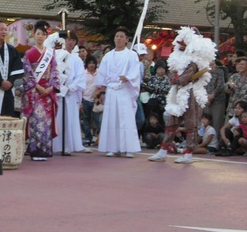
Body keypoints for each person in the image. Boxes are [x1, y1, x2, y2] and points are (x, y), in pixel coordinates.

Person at [148, 26, 215, 164]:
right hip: (178, 94)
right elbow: (173, 73)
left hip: (191, 94)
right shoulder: (177, 59)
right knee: (172, 123)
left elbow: (184, 78)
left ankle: (188, 154)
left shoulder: (196, 61)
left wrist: (177, 79)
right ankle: (163, 151)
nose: (182, 45)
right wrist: (176, 78)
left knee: (191, 125)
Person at [95, 27, 141, 158]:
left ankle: (129, 148)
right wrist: (102, 91)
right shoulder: (108, 56)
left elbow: (135, 72)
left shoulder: (131, 55)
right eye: (117, 36)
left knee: (126, 119)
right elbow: (102, 75)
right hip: (111, 91)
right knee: (111, 119)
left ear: (126, 39)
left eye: (121, 36)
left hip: (125, 90)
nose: (119, 38)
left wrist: (128, 77)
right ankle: (112, 147)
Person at [22, 21, 59, 161]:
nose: (40, 37)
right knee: (36, 121)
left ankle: (45, 150)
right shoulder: (29, 53)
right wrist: (38, 87)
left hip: (47, 93)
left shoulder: (51, 53)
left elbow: (55, 71)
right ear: (34, 35)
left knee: (46, 122)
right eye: (38, 34)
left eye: (43, 34)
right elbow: (28, 73)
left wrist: (50, 87)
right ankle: (35, 150)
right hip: (36, 92)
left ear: (46, 36)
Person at [53, 30, 88, 154]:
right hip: (58, 91)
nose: (70, 42)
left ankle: (68, 145)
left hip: (70, 93)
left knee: (70, 119)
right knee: (58, 119)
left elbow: (80, 77)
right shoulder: (57, 54)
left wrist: (70, 87)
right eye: (68, 39)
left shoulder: (77, 59)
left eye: (73, 40)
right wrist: (59, 85)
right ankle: (56, 145)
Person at [204, 59, 227, 137]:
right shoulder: (202, 72)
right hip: (205, 100)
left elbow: (221, 85)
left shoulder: (220, 71)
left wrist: (213, 95)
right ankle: (205, 140)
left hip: (218, 100)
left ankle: (216, 143)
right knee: (205, 121)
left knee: (217, 122)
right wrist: (206, 97)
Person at [82, 56, 98, 146]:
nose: (91, 65)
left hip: (96, 100)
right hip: (85, 99)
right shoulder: (83, 74)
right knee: (86, 120)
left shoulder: (99, 73)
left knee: (97, 120)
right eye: (89, 63)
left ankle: (99, 137)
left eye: (93, 63)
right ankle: (88, 138)